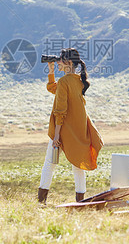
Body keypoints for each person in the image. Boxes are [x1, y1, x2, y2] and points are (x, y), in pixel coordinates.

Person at [38, 48, 104, 204]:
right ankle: (80, 202)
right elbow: (53, 88)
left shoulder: (65, 82)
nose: (58, 62)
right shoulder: (78, 81)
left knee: (49, 164)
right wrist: (51, 70)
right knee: (78, 165)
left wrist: (56, 135)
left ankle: (41, 203)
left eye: (60, 60)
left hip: (63, 131)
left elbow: (60, 110)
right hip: (78, 129)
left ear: (67, 62)